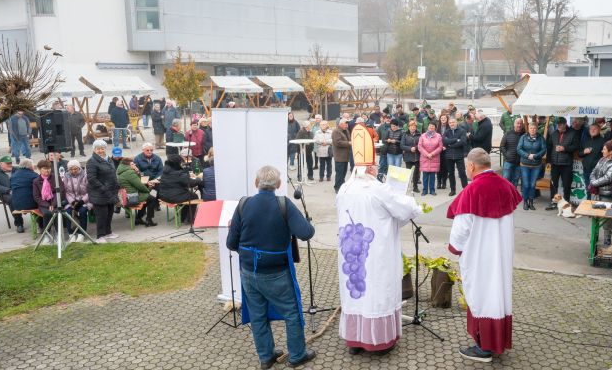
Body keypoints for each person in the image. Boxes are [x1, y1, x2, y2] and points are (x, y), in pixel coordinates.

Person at [226, 166, 317, 369]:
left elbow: (231, 244)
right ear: (278, 184)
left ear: (256, 183)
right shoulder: (284, 204)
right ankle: (297, 355)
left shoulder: (243, 204)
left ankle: (266, 357)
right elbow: (306, 233)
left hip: (249, 272)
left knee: (258, 315)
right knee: (292, 313)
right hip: (276, 273)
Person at [335, 163, 421, 355]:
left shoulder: (344, 188)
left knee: (355, 295)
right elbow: (404, 209)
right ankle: (379, 341)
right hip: (377, 253)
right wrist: (409, 198)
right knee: (378, 292)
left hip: (353, 253)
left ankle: (355, 341)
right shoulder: (377, 189)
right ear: (371, 169)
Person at [447, 148, 520, 363]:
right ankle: (497, 342)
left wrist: (454, 248)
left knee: (480, 296)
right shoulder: (506, 186)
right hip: (501, 253)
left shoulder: (472, 191)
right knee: (498, 294)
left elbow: (461, 228)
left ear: (470, 166)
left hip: (479, 254)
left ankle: (483, 348)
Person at [588, 141, 612, 245]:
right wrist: (593, 181)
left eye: (604, 149)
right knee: (595, 216)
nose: (602, 151)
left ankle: (607, 238)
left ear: (611, 151)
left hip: (608, 194)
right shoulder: (602, 159)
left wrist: (594, 183)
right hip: (596, 193)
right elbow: (593, 172)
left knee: (607, 218)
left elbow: (608, 178)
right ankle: (595, 235)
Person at [87, 139, 120, 242]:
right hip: (99, 194)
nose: (100, 150)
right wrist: (103, 188)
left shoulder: (108, 159)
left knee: (109, 213)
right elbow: (92, 179)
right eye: (98, 149)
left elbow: (112, 174)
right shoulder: (91, 162)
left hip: (110, 192)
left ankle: (108, 232)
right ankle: (100, 236)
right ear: (94, 150)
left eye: (102, 148)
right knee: (101, 216)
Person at [545, 117, 579, 210]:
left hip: (566, 163)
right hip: (555, 163)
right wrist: (548, 161)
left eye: (560, 124)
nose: (558, 125)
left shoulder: (572, 133)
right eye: (557, 124)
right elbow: (549, 147)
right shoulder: (554, 133)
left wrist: (565, 148)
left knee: (566, 184)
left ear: (565, 124)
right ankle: (553, 202)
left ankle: (566, 203)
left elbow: (576, 146)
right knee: (553, 184)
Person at [158, 154, 204, 223]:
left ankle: (183, 217)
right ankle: (189, 219)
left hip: (163, 196)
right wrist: (198, 179)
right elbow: (191, 184)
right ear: (177, 163)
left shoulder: (165, 171)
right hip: (173, 197)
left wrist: (185, 173)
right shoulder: (178, 174)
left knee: (187, 195)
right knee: (194, 196)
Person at [117, 157, 159, 227]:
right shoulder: (129, 173)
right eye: (133, 164)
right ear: (128, 165)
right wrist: (148, 190)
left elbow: (138, 182)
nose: (135, 165)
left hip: (130, 195)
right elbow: (140, 185)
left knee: (149, 197)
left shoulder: (122, 171)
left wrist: (137, 172)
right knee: (153, 196)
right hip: (132, 197)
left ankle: (138, 218)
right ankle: (149, 219)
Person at [0, 156, 26, 233]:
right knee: (12, 199)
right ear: (1, 164)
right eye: (7, 164)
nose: (10, 165)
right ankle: (19, 223)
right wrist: (8, 190)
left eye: (10, 163)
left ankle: (40, 222)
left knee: (32, 195)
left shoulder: (16, 170)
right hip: (4, 193)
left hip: (18, 190)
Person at [32, 159, 68, 234]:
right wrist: (47, 205)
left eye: (49, 168)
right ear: (39, 169)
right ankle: (47, 234)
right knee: (47, 213)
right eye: (45, 168)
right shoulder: (36, 181)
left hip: (56, 202)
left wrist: (53, 204)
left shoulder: (56, 178)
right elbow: (36, 196)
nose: (47, 170)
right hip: (43, 204)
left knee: (56, 212)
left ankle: (59, 234)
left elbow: (61, 192)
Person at [517, 122, 546, 211]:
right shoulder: (523, 137)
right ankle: (525, 202)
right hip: (524, 164)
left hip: (536, 165)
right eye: (531, 128)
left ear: (536, 129)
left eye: (534, 128)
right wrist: (527, 155)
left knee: (532, 184)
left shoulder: (541, 138)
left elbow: (543, 149)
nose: (532, 130)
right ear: (528, 129)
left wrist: (535, 156)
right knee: (526, 184)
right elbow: (519, 149)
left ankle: (531, 202)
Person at [63, 160, 92, 240]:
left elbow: (89, 191)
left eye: (75, 169)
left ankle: (81, 233)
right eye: (71, 169)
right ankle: (70, 233)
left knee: (82, 212)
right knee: (68, 213)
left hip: (84, 200)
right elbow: (66, 191)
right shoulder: (66, 176)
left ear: (79, 168)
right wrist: (72, 201)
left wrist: (82, 201)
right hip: (71, 201)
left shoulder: (85, 176)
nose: (73, 171)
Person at [442, 118, 468, 196]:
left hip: (459, 155)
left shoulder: (462, 131)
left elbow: (463, 142)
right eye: (450, 122)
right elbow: (444, 141)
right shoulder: (446, 132)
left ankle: (466, 189)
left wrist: (450, 145)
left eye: (453, 122)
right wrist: (456, 139)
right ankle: (453, 189)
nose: (451, 124)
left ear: (456, 122)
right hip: (449, 156)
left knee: (462, 173)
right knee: (451, 173)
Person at [579, 123, 606, 198]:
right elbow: (579, 154)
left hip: (597, 171)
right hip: (586, 169)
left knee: (596, 191)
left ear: (599, 130)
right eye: (591, 129)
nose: (592, 130)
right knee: (588, 189)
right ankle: (588, 206)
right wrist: (584, 152)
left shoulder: (603, 141)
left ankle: (596, 206)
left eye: (595, 129)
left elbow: (606, 156)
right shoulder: (586, 141)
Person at [10, 159, 39, 227]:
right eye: (33, 165)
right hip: (31, 204)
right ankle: (41, 225)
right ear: (30, 166)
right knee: (41, 202)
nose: (34, 166)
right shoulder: (34, 175)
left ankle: (20, 225)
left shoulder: (13, 176)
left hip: (16, 205)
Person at [418, 123, 443, 196]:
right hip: (425, 158)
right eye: (430, 126)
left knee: (432, 176)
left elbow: (440, 147)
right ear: (427, 127)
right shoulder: (422, 136)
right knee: (425, 176)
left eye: (433, 126)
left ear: (435, 128)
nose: (431, 127)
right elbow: (420, 147)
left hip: (434, 158)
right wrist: (427, 154)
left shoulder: (438, 136)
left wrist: (432, 154)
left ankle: (432, 190)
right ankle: (425, 190)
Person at [501, 118, 525, 186]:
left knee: (515, 180)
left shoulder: (524, 135)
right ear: (514, 124)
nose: (519, 125)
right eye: (517, 123)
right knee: (506, 180)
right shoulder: (508, 133)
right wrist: (507, 155)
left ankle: (513, 196)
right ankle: (505, 196)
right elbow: (502, 146)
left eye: (521, 123)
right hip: (508, 162)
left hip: (519, 163)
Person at [401, 120, 422, 193]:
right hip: (408, 156)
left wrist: (415, 148)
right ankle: (407, 186)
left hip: (417, 156)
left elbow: (421, 144)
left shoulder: (419, 135)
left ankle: (415, 187)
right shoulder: (405, 134)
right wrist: (410, 148)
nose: (413, 128)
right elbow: (402, 145)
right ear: (409, 127)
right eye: (411, 126)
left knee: (416, 173)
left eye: (414, 126)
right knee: (408, 172)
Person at [332, 119, 352, 192]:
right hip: (339, 156)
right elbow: (338, 143)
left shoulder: (346, 130)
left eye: (347, 124)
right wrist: (349, 143)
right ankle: (337, 187)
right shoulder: (336, 131)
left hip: (345, 156)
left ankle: (342, 186)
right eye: (345, 124)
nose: (347, 125)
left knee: (344, 172)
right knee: (339, 173)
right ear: (340, 124)